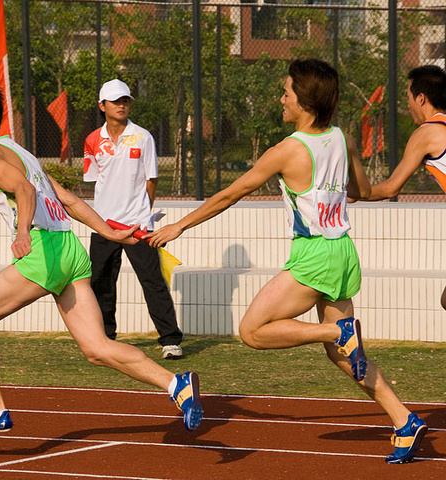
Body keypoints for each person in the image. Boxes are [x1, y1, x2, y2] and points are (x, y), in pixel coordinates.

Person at [146, 59, 427, 464]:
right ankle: (404, 419)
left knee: (253, 331)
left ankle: (336, 331)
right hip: (344, 251)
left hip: (314, 255)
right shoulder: (341, 138)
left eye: (287, 92)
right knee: (344, 355)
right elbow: (362, 190)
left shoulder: (287, 151)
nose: (281, 98)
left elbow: (231, 193)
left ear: (305, 101)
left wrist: (180, 226)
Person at [0, 75, 202, 435]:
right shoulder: (22, 152)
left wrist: (22, 232)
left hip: (43, 251)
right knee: (97, 348)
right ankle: (177, 385)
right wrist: (111, 231)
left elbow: (22, 189)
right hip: (70, 249)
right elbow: (68, 200)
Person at [84, 79, 184, 359]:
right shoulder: (92, 139)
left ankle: (170, 340)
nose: (122, 105)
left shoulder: (143, 137)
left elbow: (151, 180)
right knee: (101, 282)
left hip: (139, 225)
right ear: (102, 105)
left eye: (125, 100)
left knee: (152, 281)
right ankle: (105, 338)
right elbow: (97, 181)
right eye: (116, 101)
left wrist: (142, 216)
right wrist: (100, 221)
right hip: (103, 224)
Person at [362, 65, 446, 312]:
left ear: (421, 98)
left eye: (408, 98)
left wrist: (351, 194)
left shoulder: (427, 132)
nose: (407, 104)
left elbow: (390, 188)